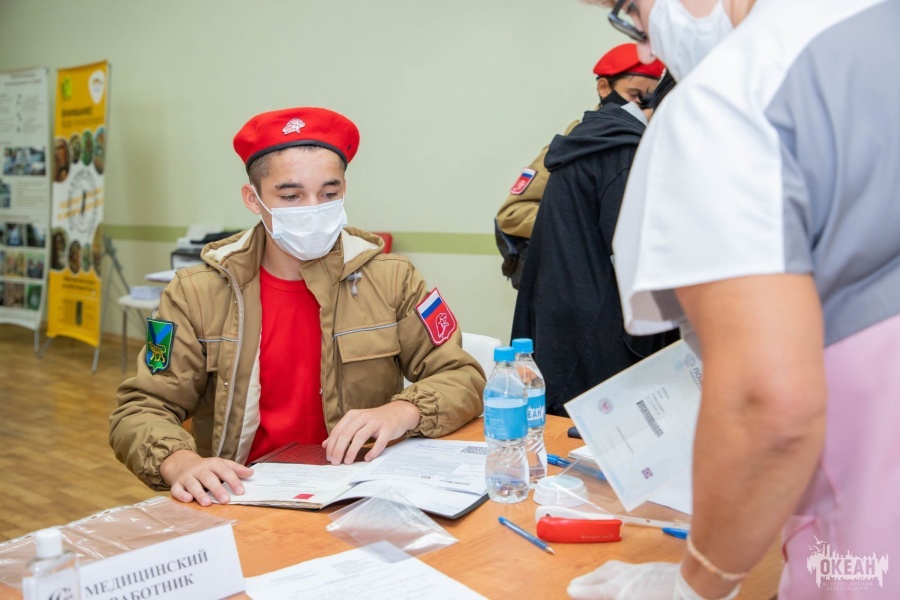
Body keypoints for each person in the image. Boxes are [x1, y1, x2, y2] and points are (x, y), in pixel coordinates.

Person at [568, 1, 900, 599]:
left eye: (631, 9)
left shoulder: (732, 94)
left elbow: (770, 404)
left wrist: (696, 584)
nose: (647, 48)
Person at [110, 107, 485, 507]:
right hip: (244, 496)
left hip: (358, 493)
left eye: (329, 194)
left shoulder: (392, 278)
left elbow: (462, 376)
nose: (313, 208)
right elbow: (141, 409)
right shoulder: (197, 292)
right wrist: (180, 462)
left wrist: (402, 412)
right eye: (291, 196)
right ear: (253, 199)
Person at [511, 73, 678, 417]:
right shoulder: (626, 154)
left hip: (566, 319)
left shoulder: (597, 139)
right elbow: (639, 264)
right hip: (597, 333)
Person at [495, 43, 663, 288]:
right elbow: (511, 214)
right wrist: (579, 224)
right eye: (634, 94)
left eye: (650, 99)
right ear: (604, 88)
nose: (642, 106)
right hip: (580, 281)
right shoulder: (575, 144)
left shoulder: (649, 140)